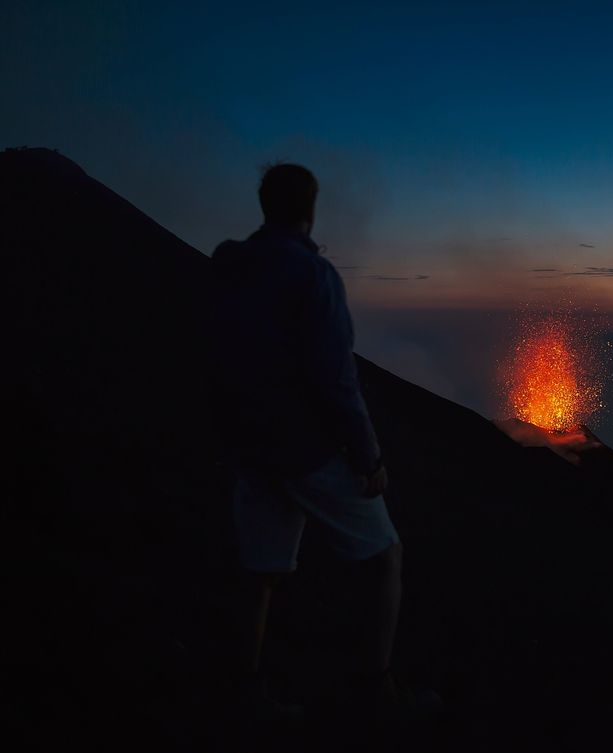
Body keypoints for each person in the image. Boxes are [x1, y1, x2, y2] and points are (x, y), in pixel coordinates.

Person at [209, 163, 403, 722]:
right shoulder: (311, 276)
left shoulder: (228, 264)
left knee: (260, 571)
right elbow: (336, 379)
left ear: (264, 204)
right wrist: (369, 457)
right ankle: (377, 689)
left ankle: (244, 689)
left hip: (249, 445)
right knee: (386, 556)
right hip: (304, 450)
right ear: (309, 209)